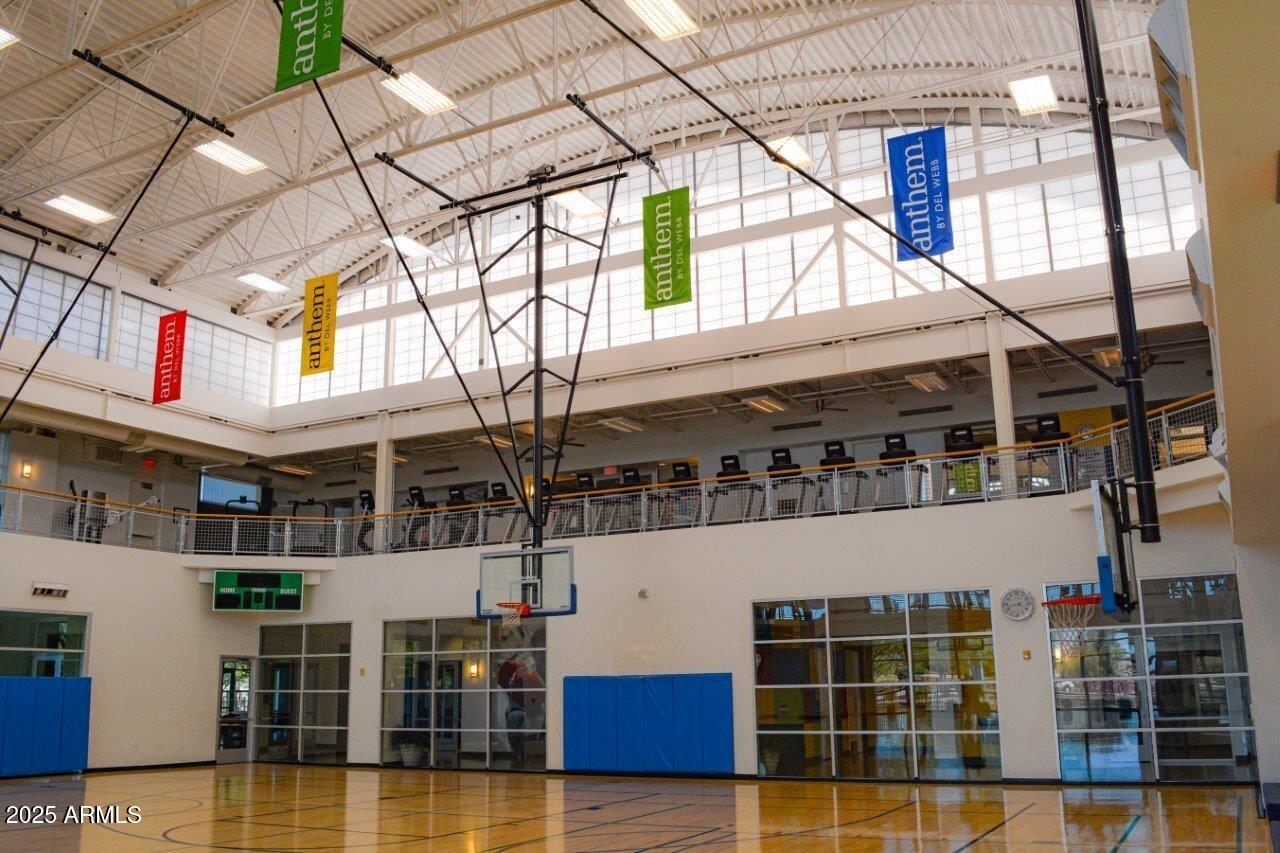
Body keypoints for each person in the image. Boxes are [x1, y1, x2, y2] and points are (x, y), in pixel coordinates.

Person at [495, 653, 544, 766]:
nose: (528, 674)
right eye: (522, 673)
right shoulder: (516, 715)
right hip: (522, 765)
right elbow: (526, 746)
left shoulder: (518, 708)